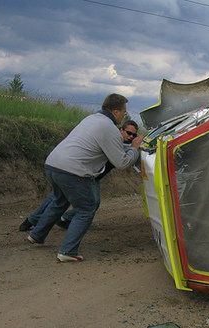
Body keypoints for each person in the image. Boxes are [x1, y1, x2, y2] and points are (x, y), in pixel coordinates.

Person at [26, 94, 143, 262]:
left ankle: (36, 235)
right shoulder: (109, 127)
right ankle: (68, 251)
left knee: (60, 202)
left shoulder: (92, 119)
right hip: (72, 171)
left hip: (53, 165)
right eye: (124, 112)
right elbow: (122, 163)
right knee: (87, 208)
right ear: (116, 111)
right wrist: (134, 148)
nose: (125, 115)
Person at [19, 120, 139, 231]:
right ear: (121, 130)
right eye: (129, 133)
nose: (131, 137)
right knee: (78, 202)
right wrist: (135, 147)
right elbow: (125, 155)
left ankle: (59, 219)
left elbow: (128, 150)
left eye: (134, 135)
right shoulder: (113, 140)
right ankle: (36, 222)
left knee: (69, 200)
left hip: (90, 176)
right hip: (81, 175)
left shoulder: (123, 144)